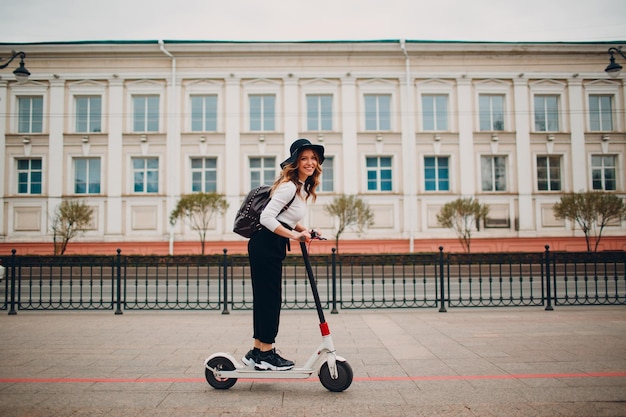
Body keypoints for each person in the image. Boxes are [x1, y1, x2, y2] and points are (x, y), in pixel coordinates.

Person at [242, 138, 324, 371]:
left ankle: (257, 351)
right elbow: (267, 217)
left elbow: (286, 218)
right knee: (270, 299)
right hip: (267, 243)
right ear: (295, 162)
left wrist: (304, 230)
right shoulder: (289, 186)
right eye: (304, 158)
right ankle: (267, 354)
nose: (309, 162)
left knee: (265, 297)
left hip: (270, 244)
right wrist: (293, 236)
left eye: (313, 158)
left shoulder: (299, 188)